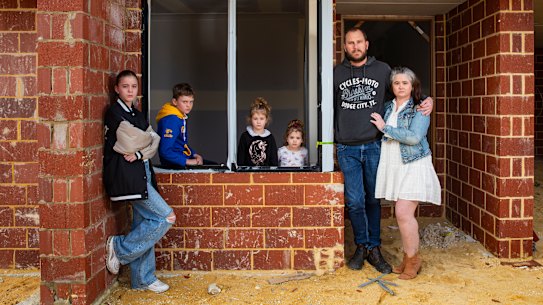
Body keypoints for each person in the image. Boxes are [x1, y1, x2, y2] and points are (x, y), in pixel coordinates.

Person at [334, 27, 433, 273]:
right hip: (347, 147)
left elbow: (404, 93)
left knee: (372, 200)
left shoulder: (383, 70)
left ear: (366, 44)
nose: (355, 46)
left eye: (359, 42)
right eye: (350, 43)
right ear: (345, 47)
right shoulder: (336, 74)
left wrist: (427, 100)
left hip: (374, 144)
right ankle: (361, 246)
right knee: (355, 202)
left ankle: (374, 249)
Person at [103, 70, 176, 293]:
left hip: (142, 171)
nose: (130, 90)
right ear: (117, 88)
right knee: (165, 217)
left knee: (143, 223)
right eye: (125, 86)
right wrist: (146, 142)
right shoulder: (114, 113)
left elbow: (154, 141)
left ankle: (142, 279)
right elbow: (131, 141)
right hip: (128, 176)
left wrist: (142, 148)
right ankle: (120, 248)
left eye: (133, 86)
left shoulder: (137, 113)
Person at [370, 67, 441, 279]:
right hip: (394, 163)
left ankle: (413, 260)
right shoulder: (388, 107)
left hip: (414, 163)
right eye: (396, 83)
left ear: (413, 86)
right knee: (402, 214)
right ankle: (408, 257)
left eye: (405, 83)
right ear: (392, 87)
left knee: (403, 213)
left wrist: (386, 129)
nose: (400, 86)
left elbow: (413, 137)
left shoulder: (420, 108)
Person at [156, 83, 205, 168]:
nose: (188, 105)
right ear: (175, 102)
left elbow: (181, 143)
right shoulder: (172, 120)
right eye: (184, 102)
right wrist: (187, 161)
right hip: (175, 163)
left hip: (182, 158)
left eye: (191, 102)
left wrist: (194, 154)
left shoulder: (179, 116)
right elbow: (165, 151)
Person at [237, 97, 278, 166]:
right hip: (248, 174)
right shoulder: (245, 137)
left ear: (266, 120)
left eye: (261, 119)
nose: (258, 122)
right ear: (250, 119)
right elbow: (240, 160)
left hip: (266, 175)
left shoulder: (270, 138)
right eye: (255, 118)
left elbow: (274, 161)